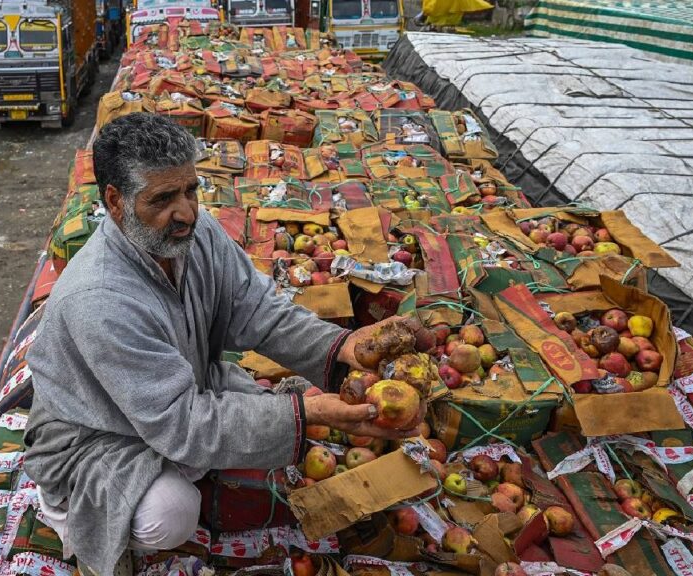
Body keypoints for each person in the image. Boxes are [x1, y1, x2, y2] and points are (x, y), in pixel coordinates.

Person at [22, 113, 423, 576]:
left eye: (191, 190)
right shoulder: (100, 298)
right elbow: (183, 424)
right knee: (170, 511)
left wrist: (344, 348)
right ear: (115, 201)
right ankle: (66, 509)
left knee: (250, 416)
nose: (186, 212)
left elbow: (258, 309)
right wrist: (309, 413)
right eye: (164, 198)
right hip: (94, 434)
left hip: (169, 404)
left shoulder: (195, 232)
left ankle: (197, 459)